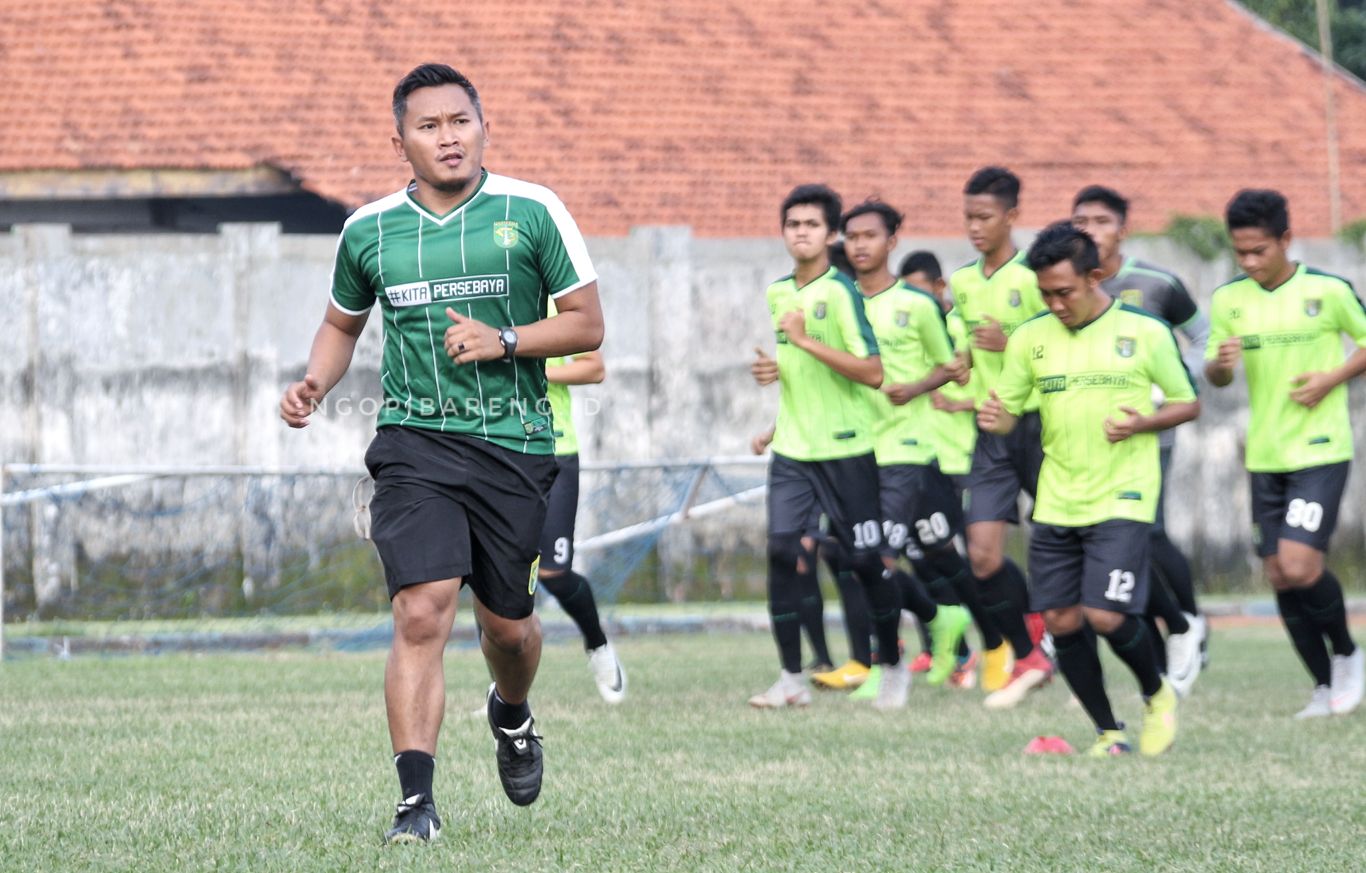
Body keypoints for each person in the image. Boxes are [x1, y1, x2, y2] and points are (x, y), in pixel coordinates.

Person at [279, 63, 603, 842]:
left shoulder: (533, 211)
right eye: (429, 126)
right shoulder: (370, 229)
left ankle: (512, 713)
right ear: (401, 142)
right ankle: (414, 802)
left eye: (461, 120)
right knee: (421, 610)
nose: (448, 136)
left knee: (509, 629)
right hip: (413, 443)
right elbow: (341, 324)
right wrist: (315, 382)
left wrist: (507, 339)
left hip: (514, 446)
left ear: (483, 125)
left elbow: (587, 325)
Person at [979, 222, 1197, 756]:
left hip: (1123, 495)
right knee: (1061, 619)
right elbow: (1008, 412)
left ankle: (1156, 692)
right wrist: (995, 418)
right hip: (1056, 498)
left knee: (1106, 614)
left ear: (1095, 276)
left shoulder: (1145, 332)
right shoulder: (1030, 339)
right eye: (1045, 294)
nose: (1054, 304)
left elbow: (1185, 401)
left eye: (1064, 292)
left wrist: (1140, 424)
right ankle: (1108, 732)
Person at [1205, 189, 1366, 719]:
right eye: (1240, 253)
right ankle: (1322, 686)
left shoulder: (1328, 290)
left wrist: (1331, 378)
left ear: (1286, 240)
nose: (1249, 263)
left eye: (1259, 251)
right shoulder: (1230, 299)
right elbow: (1216, 373)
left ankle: (1347, 653)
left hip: (1319, 450)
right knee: (1277, 572)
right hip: (1265, 455)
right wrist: (1222, 365)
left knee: (1300, 564)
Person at [748, 183, 906, 711]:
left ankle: (892, 664)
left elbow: (874, 372)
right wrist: (775, 376)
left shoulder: (840, 293)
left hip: (845, 450)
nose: (801, 233)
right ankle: (791, 678)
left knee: (864, 561)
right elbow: (798, 373)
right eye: (793, 224)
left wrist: (807, 342)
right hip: (794, 450)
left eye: (812, 225)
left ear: (829, 234)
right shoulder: (777, 292)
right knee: (781, 552)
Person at [1071, 185, 1208, 695]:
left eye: (1101, 220)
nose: (1090, 229)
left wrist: (1171, 382)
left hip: (1149, 428)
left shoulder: (1155, 283)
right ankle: (1168, 630)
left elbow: (1204, 336)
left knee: (1144, 529)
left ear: (1122, 228)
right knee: (1110, 534)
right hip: (1085, 434)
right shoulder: (1064, 287)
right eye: (1080, 219)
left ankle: (1188, 624)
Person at [840, 200, 972, 700]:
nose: (860, 245)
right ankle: (940, 618)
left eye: (870, 235)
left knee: (883, 558)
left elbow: (952, 365)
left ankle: (887, 665)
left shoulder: (916, 305)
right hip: (855, 447)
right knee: (858, 559)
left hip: (908, 446)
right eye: (852, 236)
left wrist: (916, 388)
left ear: (891, 241)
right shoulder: (840, 300)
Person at [949, 167, 1053, 707]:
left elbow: (1061, 340)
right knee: (983, 556)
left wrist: (1009, 337)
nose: (974, 227)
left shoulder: (1036, 277)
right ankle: (1029, 650)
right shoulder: (963, 282)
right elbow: (960, 346)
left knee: (1066, 540)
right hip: (990, 429)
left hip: (1040, 426)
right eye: (967, 217)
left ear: (1012, 216)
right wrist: (960, 365)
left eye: (984, 217)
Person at [901, 250, 1000, 688]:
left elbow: (991, 391)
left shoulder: (961, 331)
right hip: (926, 455)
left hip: (964, 456)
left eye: (921, 289)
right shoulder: (906, 331)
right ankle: (952, 648)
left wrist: (959, 400)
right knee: (920, 553)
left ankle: (1003, 637)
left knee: (964, 558)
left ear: (940, 288)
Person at [539, 329, 626, 704]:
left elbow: (593, 368)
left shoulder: (557, 307)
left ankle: (599, 646)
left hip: (555, 450)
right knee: (493, 573)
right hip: (497, 451)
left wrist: (534, 371)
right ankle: (502, 692)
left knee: (554, 574)